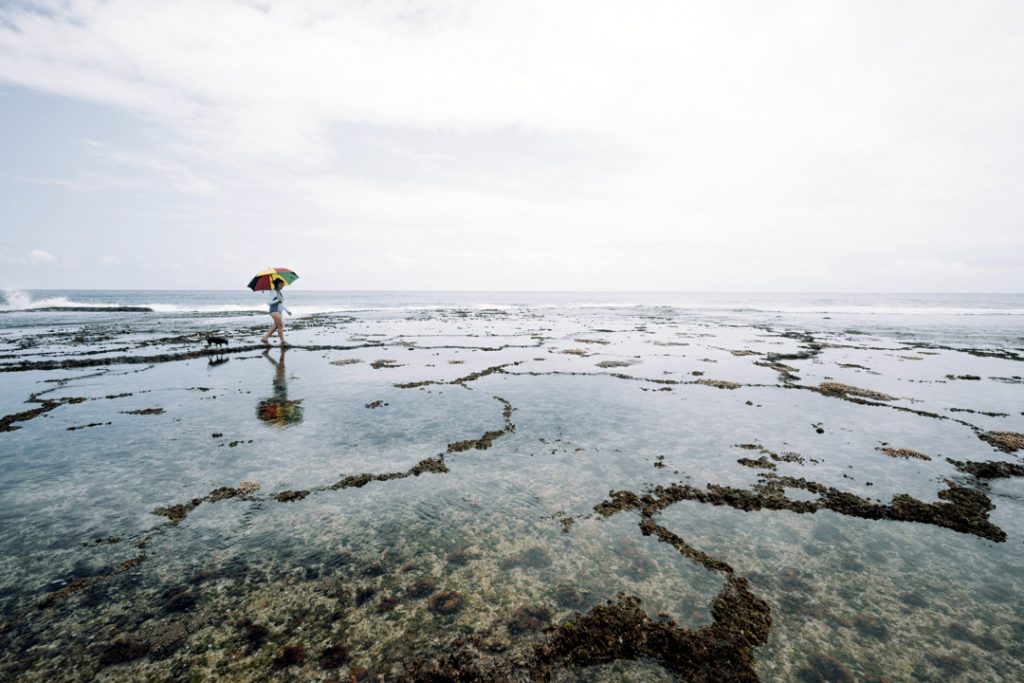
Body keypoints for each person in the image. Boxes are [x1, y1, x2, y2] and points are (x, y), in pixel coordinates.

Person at [260, 278, 290, 346]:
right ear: (278, 284)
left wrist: (287, 311)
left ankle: (265, 338)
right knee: (280, 325)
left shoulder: (279, 292)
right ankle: (282, 342)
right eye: (281, 285)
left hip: (278, 311)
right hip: (274, 310)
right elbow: (268, 302)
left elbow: (280, 304)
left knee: (276, 326)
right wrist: (277, 300)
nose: (282, 286)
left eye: (283, 285)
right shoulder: (273, 291)